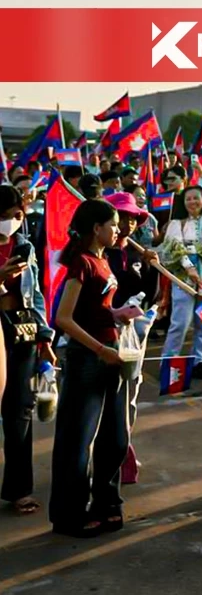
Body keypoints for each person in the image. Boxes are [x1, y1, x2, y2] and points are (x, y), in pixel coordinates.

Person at [50, 200, 131, 537]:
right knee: (77, 440)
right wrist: (99, 348)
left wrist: (116, 315)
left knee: (115, 437)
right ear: (95, 228)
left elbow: (95, 308)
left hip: (111, 355)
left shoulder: (103, 260)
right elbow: (64, 318)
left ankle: (106, 502)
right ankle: (69, 515)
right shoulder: (81, 263)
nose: (118, 230)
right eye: (112, 224)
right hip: (88, 360)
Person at [0, 185, 54, 516]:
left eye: (16, 216)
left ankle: (19, 489)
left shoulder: (25, 246)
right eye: (4, 217)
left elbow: (35, 296)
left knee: (20, 410)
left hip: (21, 332)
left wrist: (44, 337)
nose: (10, 223)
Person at [103, 191, 160, 484]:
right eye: (120, 218)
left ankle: (125, 445)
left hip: (136, 335)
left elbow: (150, 296)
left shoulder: (138, 253)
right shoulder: (101, 254)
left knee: (131, 391)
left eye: (131, 218)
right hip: (107, 333)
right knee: (110, 396)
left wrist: (151, 267)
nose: (126, 224)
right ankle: (110, 453)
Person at [158, 185, 202, 380]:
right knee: (180, 323)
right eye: (188, 199)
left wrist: (191, 249)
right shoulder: (176, 223)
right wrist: (188, 265)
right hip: (184, 281)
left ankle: (198, 362)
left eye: (196, 198)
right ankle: (169, 366)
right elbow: (172, 248)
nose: (192, 202)